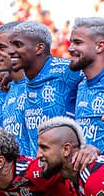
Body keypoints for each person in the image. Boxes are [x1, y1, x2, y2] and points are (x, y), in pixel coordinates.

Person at [7, 21, 82, 157]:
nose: (10, 51)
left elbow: (99, 73)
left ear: (39, 48)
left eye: (17, 45)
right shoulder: (21, 81)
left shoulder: (66, 71)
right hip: (36, 170)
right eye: (10, 45)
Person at [69, 17, 104, 158]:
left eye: (77, 42)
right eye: (71, 42)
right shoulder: (78, 82)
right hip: (82, 177)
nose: (70, 48)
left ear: (100, 46)